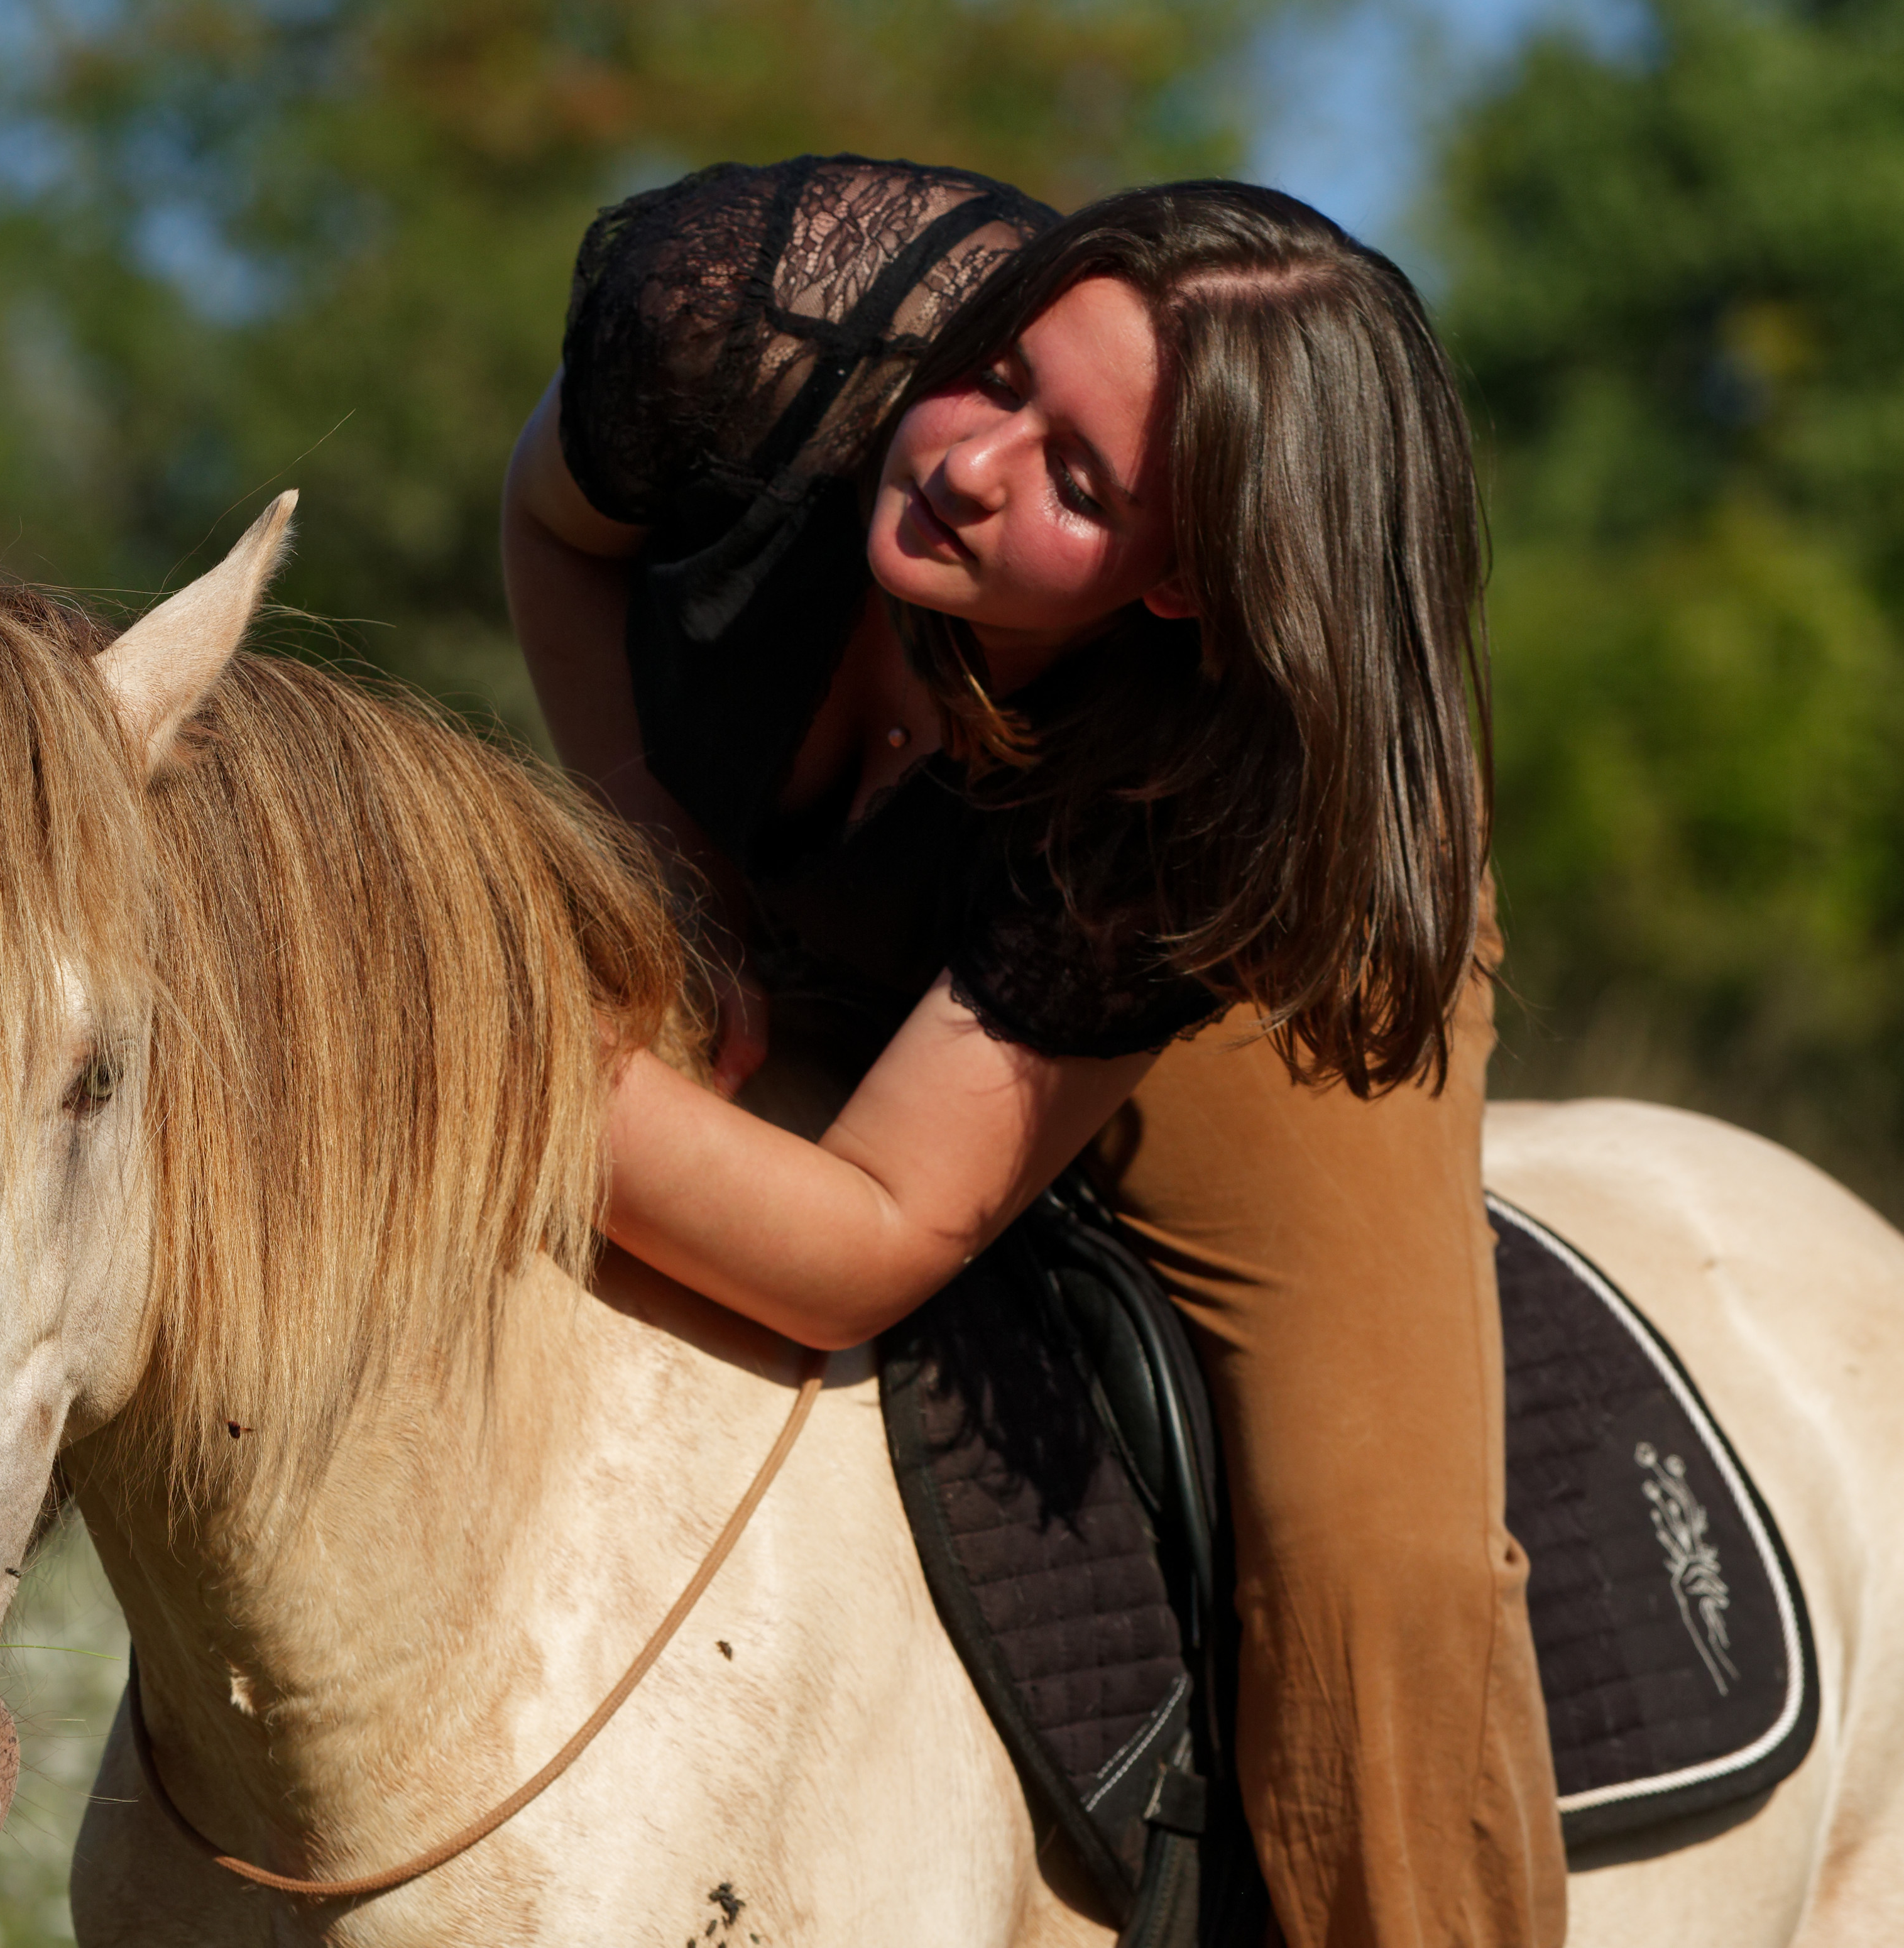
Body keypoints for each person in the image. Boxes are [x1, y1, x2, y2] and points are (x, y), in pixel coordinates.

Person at [500, 156, 1563, 1948]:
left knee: (1373, 1568)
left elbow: (865, 1232)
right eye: (1000, 377)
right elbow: (553, 529)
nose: (968, 463)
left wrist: (473, 1064)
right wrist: (659, 861)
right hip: (864, 850)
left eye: (1077, 483)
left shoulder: (1212, 776)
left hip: (1258, 945)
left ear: (1179, 589)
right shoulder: (742, 314)